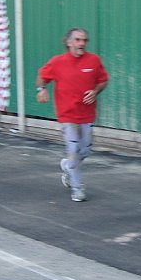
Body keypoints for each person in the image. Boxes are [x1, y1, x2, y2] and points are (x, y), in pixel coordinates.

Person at [36, 28, 109, 202]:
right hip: (67, 114)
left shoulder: (93, 60)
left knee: (85, 150)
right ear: (68, 42)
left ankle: (67, 166)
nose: (82, 43)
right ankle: (78, 189)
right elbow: (42, 76)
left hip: (87, 113)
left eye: (84, 40)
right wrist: (41, 90)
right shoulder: (58, 62)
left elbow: (103, 80)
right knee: (74, 149)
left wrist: (95, 91)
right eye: (78, 40)